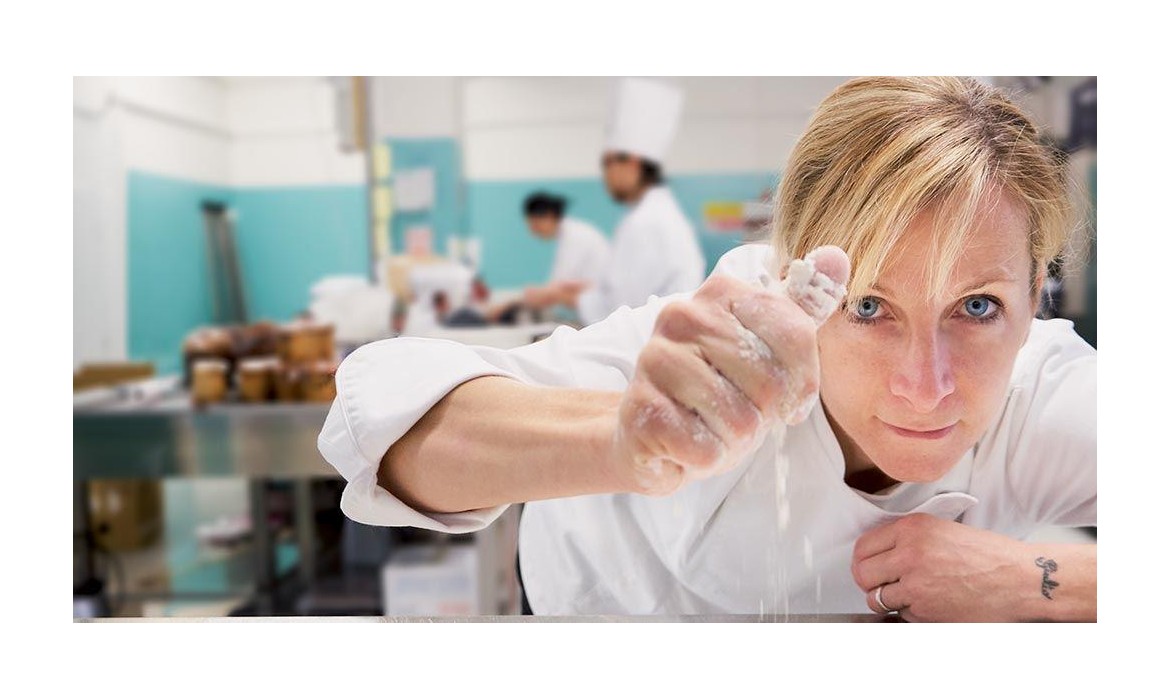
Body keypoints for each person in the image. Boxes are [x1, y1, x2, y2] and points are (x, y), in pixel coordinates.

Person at [318, 77, 1096, 621]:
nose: (926, 387)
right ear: (802, 280)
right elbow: (381, 420)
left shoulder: (1037, 403)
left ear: (1036, 294)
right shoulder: (734, 349)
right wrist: (621, 438)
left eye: (978, 306)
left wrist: (1036, 578)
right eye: (869, 307)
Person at [533, 78, 706, 325]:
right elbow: (625, 291)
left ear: (632, 162)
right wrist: (584, 292)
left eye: (608, 164)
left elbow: (621, 309)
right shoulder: (656, 214)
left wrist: (565, 296)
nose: (605, 175)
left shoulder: (646, 223)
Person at [519, 192, 612, 313]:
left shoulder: (576, 236)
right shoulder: (570, 233)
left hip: (601, 307)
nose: (533, 232)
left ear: (549, 216)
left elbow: (556, 287)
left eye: (534, 225)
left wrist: (528, 296)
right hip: (593, 303)